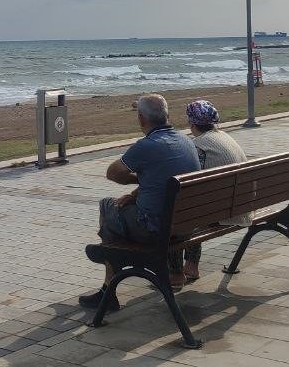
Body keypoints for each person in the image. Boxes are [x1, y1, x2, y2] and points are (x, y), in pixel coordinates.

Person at [79, 93, 200, 310]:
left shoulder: (147, 146)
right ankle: (111, 261)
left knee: (108, 206)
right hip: (186, 225)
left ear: (142, 119)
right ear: (167, 115)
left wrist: (138, 180)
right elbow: (165, 182)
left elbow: (113, 173)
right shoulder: (185, 141)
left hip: (156, 229)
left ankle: (109, 276)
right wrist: (140, 190)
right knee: (123, 208)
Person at [174, 99, 250, 284]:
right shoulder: (224, 136)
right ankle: (190, 266)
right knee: (195, 208)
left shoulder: (199, 144)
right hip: (243, 205)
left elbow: (190, 183)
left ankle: (176, 272)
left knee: (178, 214)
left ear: (192, 123)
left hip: (226, 211)